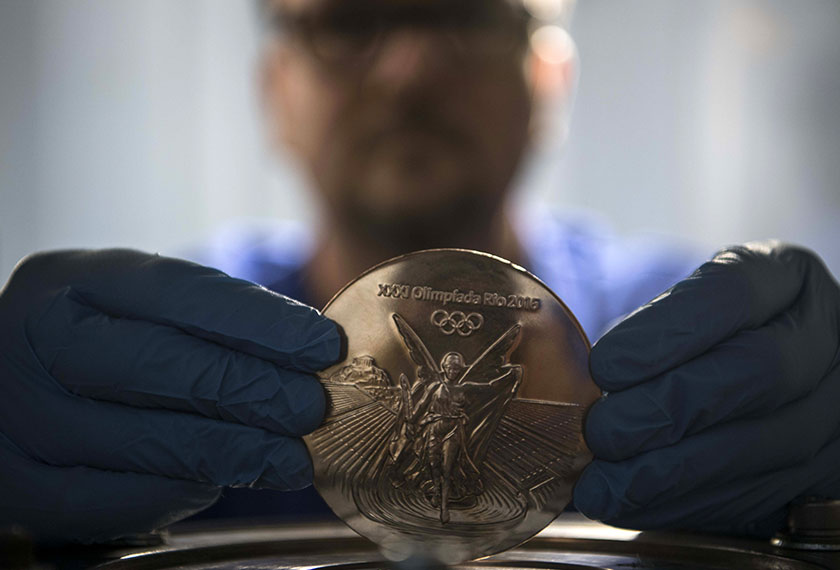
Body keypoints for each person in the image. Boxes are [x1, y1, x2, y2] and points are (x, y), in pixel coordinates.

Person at [1, 0, 839, 545]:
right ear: (276, 92)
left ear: (549, 82)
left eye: (466, 15)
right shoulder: (148, 355)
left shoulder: (692, 334)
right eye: (345, 23)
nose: (410, 69)